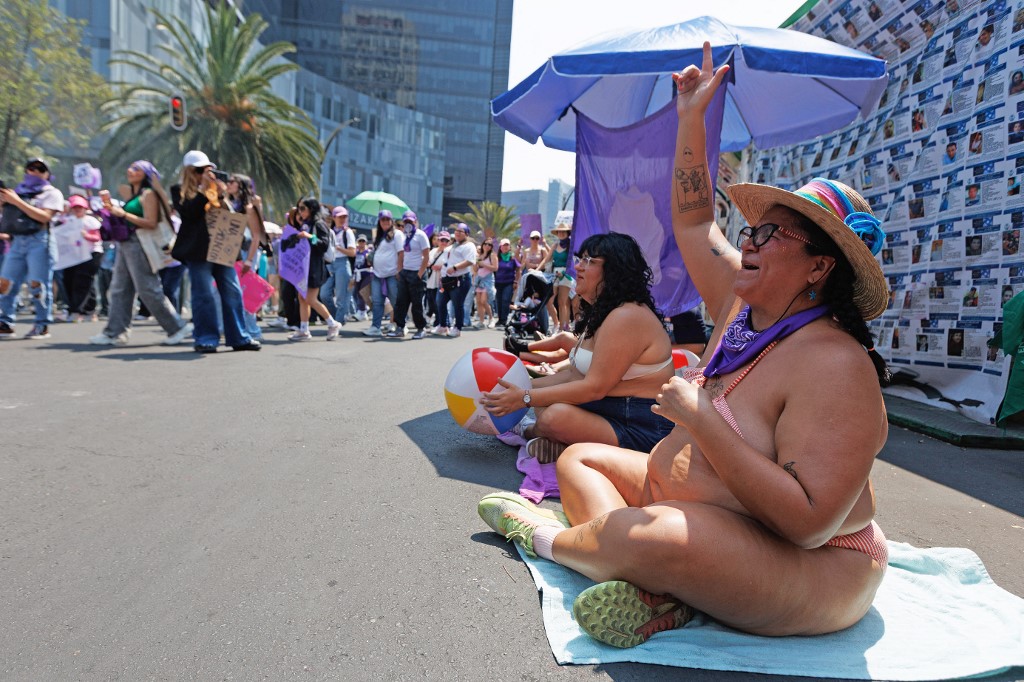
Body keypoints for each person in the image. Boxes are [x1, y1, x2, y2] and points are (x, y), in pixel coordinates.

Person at [478, 43, 892, 648]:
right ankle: (666, 591)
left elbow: (807, 523)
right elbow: (696, 223)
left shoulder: (835, 362)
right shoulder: (742, 305)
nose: (748, 240)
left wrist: (700, 417)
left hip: (814, 565)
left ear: (818, 267)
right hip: (685, 503)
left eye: (770, 233)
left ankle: (545, 538)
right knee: (578, 459)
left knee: (655, 539)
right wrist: (692, 119)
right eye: (751, 228)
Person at [482, 231, 676, 462]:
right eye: (580, 259)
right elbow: (573, 376)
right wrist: (520, 388)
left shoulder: (627, 316)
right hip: (611, 409)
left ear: (615, 271)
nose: (579, 268)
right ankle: (559, 444)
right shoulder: (604, 313)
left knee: (553, 415)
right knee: (545, 403)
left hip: (641, 424)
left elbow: (594, 388)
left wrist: (524, 397)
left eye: (589, 261)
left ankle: (531, 432)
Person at [89, 160, 192, 347]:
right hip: (126, 244)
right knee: (119, 288)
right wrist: (110, 208)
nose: (130, 170)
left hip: (140, 243)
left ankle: (176, 327)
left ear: (147, 174)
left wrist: (124, 215)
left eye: (136, 168)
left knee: (148, 288)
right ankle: (115, 333)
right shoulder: (133, 195)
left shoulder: (149, 194)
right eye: (130, 167)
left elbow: (151, 222)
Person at [170, 150, 259, 353]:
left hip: (223, 247)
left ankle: (239, 337)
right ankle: (206, 338)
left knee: (233, 291)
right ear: (190, 171)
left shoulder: (219, 191)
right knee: (203, 295)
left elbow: (231, 215)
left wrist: (221, 193)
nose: (206, 174)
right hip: (198, 251)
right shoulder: (179, 190)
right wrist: (203, 191)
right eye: (201, 170)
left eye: (209, 170)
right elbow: (189, 213)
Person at [0, 157, 65, 339]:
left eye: (40, 169)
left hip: (40, 240)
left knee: (37, 284)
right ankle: (5, 322)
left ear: (47, 174)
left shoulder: (52, 193)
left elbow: (44, 217)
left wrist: (17, 201)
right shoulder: (18, 191)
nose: (35, 172)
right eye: (31, 168)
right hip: (17, 240)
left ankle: (42, 324)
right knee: (5, 283)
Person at [283, 198, 342, 341]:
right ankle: (304, 330)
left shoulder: (318, 224)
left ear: (311, 209)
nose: (300, 212)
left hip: (314, 268)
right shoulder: (305, 225)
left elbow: (323, 244)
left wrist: (309, 236)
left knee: (310, 298)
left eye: (303, 208)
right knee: (302, 298)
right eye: (299, 209)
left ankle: (332, 323)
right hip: (304, 267)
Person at [60, 195, 103, 322]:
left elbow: (97, 237)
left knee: (82, 281)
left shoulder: (90, 221)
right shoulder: (68, 221)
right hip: (74, 256)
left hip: (91, 254)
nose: (78, 210)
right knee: (75, 281)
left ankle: (76, 311)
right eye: (75, 207)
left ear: (85, 208)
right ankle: (88, 310)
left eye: (80, 207)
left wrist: (87, 236)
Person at [389, 210, 430, 339]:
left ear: (415, 221)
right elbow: (401, 254)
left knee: (416, 303)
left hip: (416, 272)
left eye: (410, 221)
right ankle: (400, 327)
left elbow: (426, 256)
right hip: (405, 272)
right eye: (405, 221)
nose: (408, 223)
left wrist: (420, 273)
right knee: (401, 302)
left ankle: (421, 328)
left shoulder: (420, 235)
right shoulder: (402, 236)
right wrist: (399, 270)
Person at [365, 209, 404, 337]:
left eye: (388, 219)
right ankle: (375, 327)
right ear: (379, 222)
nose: (385, 222)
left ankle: (400, 326)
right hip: (377, 274)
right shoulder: (379, 236)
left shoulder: (397, 234)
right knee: (377, 301)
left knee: (395, 301)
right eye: (383, 219)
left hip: (392, 274)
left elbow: (401, 253)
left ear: (392, 221)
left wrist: (399, 270)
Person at [432, 223, 475, 337]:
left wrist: (455, 267)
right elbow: (446, 261)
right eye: (456, 231)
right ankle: (443, 325)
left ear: (466, 234)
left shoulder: (469, 245)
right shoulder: (453, 245)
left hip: (461, 279)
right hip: (446, 279)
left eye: (461, 231)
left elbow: (470, 260)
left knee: (457, 304)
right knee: (440, 301)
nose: (457, 233)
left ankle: (457, 328)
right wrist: (442, 275)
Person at [320, 206, 357, 323]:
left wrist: (339, 248)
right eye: (340, 217)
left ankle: (338, 322)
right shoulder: (329, 231)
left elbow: (352, 252)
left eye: (344, 217)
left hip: (342, 263)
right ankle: (338, 318)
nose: (342, 219)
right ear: (334, 217)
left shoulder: (348, 232)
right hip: (330, 264)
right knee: (324, 294)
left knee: (341, 298)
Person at [547, 223, 575, 332]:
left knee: (563, 301)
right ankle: (559, 324)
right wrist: (536, 269)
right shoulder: (555, 245)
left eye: (564, 231)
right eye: (559, 231)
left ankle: (564, 327)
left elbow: (572, 261)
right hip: (555, 273)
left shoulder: (571, 245)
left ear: (568, 233)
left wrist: (565, 272)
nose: (561, 233)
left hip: (566, 274)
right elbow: (547, 259)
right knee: (550, 300)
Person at [494, 238, 521, 327]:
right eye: (504, 245)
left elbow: (518, 270)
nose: (505, 247)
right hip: (498, 283)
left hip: (509, 282)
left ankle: (504, 319)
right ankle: (500, 319)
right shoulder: (496, 258)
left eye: (507, 245)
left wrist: (516, 281)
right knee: (499, 301)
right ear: (500, 247)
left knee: (506, 299)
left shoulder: (512, 258)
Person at [473, 237, 498, 328]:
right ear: (483, 245)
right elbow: (475, 269)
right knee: (479, 301)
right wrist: (476, 263)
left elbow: (495, 268)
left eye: (489, 245)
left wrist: (484, 264)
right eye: (485, 244)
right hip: (479, 279)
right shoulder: (479, 256)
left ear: (491, 247)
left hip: (488, 279)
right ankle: (481, 321)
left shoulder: (492, 255)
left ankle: (491, 318)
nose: (487, 246)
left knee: (484, 301)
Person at [424, 230, 448, 325]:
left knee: (438, 302)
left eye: (446, 240)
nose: (443, 242)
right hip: (430, 279)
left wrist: (441, 267)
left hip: (441, 280)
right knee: (431, 301)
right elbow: (427, 261)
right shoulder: (433, 250)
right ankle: (435, 320)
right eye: (442, 240)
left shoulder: (448, 252)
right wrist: (427, 264)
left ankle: (439, 322)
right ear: (438, 241)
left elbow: (451, 265)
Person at [352, 233, 373, 319]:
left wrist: (369, 258)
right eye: (360, 241)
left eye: (363, 241)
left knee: (362, 292)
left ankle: (363, 311)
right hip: (358, 274)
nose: (361, 243)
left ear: (365, 242)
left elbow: (370, 263)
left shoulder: (368, 252)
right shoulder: (356, 253)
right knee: (356, 292)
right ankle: (363, 310)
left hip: (367, 274)